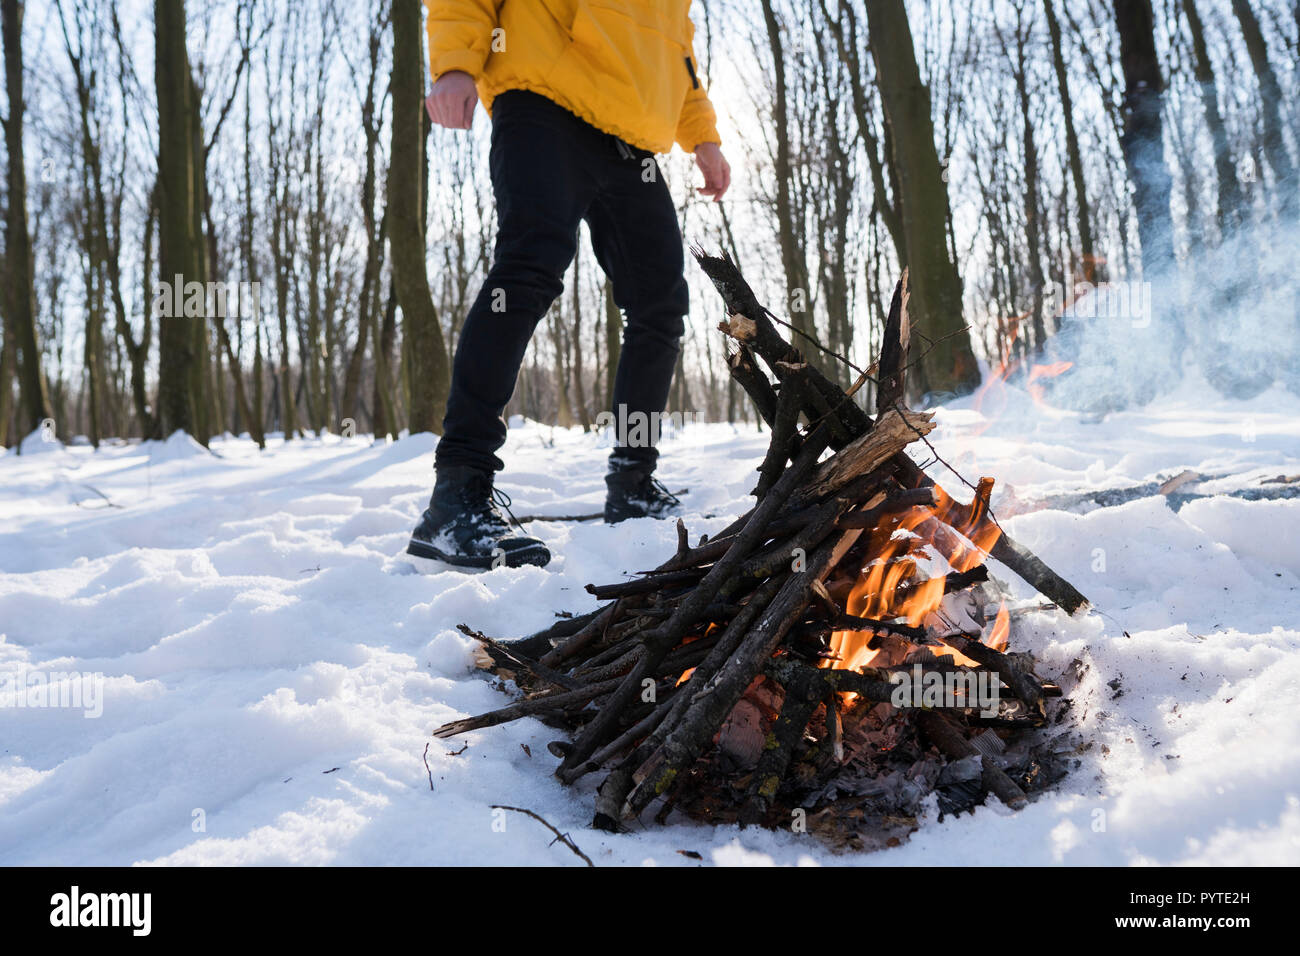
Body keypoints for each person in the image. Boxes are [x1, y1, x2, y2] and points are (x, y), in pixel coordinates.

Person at [407, 0, 731, 569]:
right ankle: (457, 495)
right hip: (543, 97)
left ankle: (633, 479)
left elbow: (678, 56)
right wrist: (456, 62)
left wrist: (703, 137)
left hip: (635, 138)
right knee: (528, 270)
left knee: (660, 306)